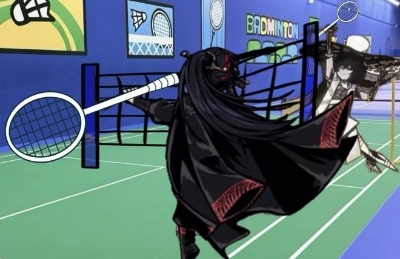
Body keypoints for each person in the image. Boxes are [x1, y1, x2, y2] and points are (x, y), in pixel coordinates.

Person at [124, 47, 356, 259]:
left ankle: (187, 241)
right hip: (209, 167)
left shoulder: (193, 104)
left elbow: (161, 111)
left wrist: (137, 100)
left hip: (209, 169)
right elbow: (163, 111)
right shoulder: (222, 103)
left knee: (192, 197)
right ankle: (187, 242)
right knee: (192, 200)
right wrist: (139, 100)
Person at [315, 27, 399, 173]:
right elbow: (329, 58)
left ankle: (371, 161)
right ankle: (371, 160)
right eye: (342, 68)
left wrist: (375, 79)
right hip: (326, 115)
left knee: (358, 142)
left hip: (340, 116)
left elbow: (367, 96)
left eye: (349, 68)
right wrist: (329, 38)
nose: (345, 71)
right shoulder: (332, 79)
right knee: (355, 143)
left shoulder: (352, 85)